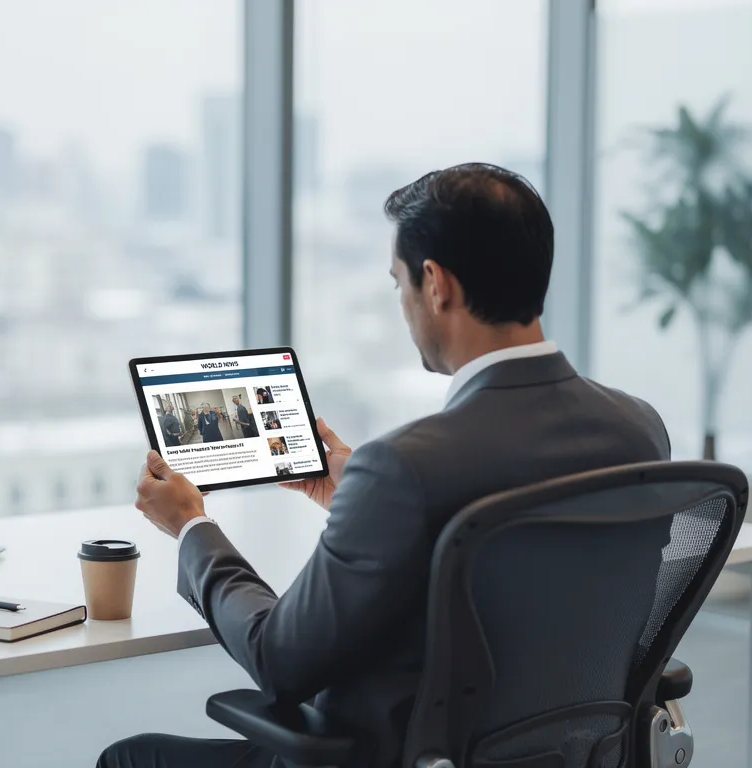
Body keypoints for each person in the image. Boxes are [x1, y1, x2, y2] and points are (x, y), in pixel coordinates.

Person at [106, 163, 670, 768]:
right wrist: (360, 495)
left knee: (132, 758)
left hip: (398, 757)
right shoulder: (638, 428)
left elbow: (280, 660)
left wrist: (191, 527)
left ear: (436, 284)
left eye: (398, 281)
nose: (402, 303)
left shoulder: (406, 468)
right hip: (563, 754)